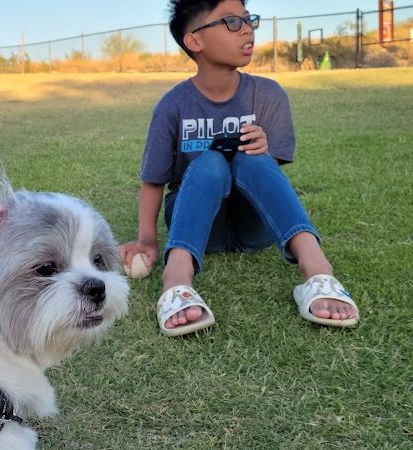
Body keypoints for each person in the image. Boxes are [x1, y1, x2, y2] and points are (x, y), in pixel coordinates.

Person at [118, 0, 359, 336]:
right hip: (199, 225)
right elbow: (153, 181)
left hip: (255, 225)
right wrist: (146, 239)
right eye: (231, 22)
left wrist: (265, 150)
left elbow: (269, 178)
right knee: (211, 162)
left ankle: (318, 271)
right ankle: (176, 279)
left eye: (248, 20)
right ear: (195, 41)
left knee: (252, 157)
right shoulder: (172, 105)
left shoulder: (268, 95)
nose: (247, 29)